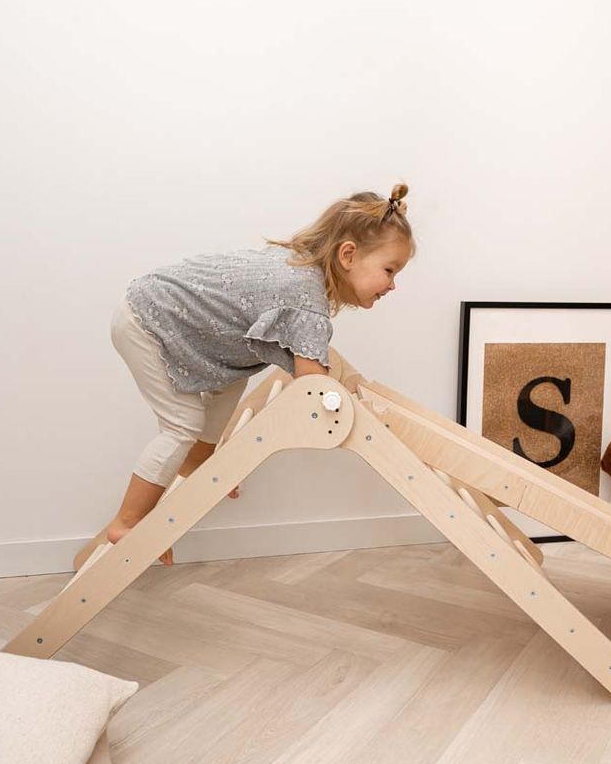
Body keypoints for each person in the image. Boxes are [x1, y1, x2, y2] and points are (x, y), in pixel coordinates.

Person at [100, 183, 415, 565]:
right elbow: (312, 391)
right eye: (389, 270)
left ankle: (196, 459)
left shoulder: (298, 268)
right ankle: (127, 522)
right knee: (181, 424)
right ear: (348, 255)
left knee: (231, 382)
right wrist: (349, 412)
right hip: (146, 320)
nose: (393, 285)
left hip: (170, 318)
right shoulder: (305, 299)